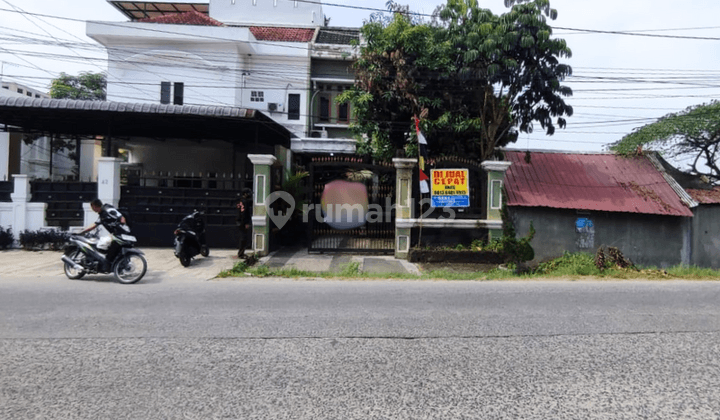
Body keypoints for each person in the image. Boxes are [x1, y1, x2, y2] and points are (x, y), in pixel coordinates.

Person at [79, 199, 130, 272]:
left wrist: (121, 224)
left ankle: (107, 263)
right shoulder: (101, 215)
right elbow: (94, 225)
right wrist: (83, 231)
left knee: (104, 245)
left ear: (94, 206)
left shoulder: (108, 209)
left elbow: (121, 217)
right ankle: (113, 264)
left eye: (92, 207)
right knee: (105, 245)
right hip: (116, 234)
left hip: (121, 233)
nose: (92, 209)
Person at [236, 188, 253, 258]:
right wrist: (246, 223)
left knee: (243, 237)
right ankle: (241, 253)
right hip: (242, 222)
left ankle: (241, 252)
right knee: (244, 238)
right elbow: (244, 213)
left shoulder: (240, 201)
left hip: (239, 221)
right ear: (245, 194)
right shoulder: (244, 202)